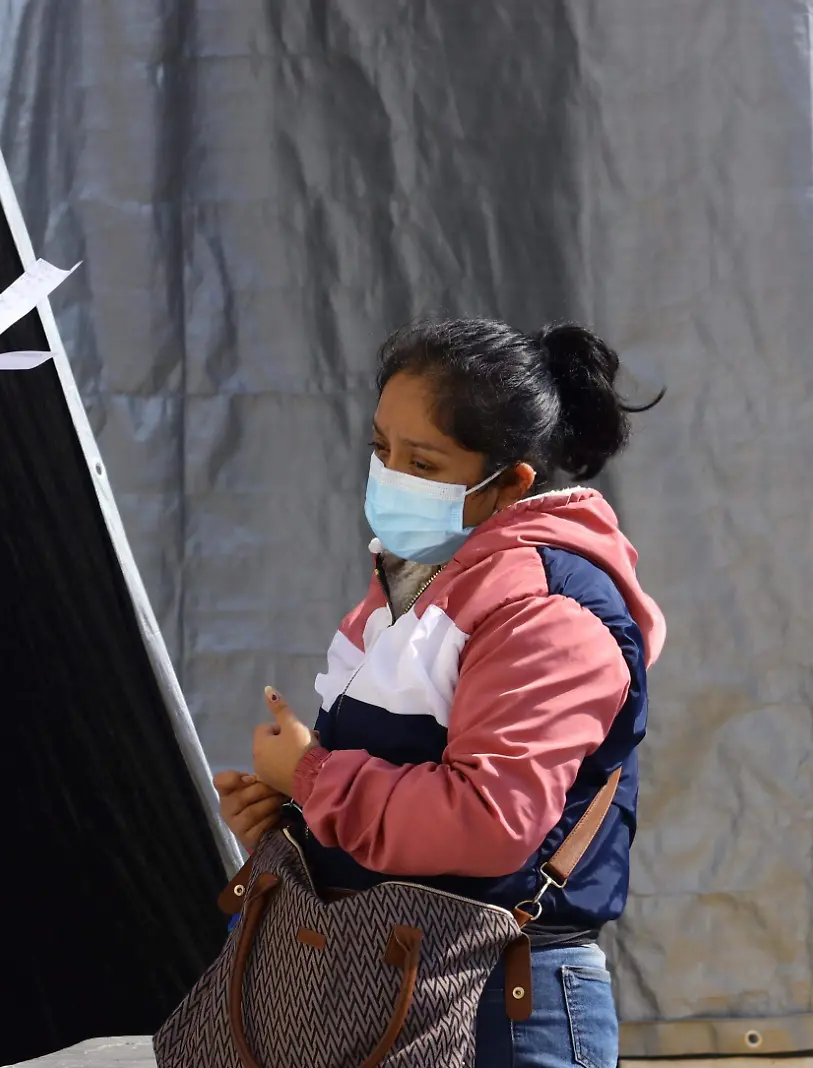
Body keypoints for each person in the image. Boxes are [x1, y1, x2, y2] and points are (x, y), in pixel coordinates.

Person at [215, 318, 666, 1068]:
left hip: (498, 1012)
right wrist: (288, 815)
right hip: (382, 990)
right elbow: (387, 787)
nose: (389, 476)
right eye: (381, 449)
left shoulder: (550, 607)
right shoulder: (414, 580)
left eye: (421, 461)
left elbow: (488, 821)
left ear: (512, 481)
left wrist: (312, 776)